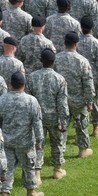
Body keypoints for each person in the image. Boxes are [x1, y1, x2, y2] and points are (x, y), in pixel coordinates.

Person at [0, 72, 44, 196]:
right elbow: (37, 124)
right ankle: (31, 193)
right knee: (29, 168)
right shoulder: (31, 101)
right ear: (24, 85)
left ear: (11, 84)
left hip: (7, 142)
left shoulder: (2, 100)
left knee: (7, 169)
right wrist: (39, 142)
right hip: (25, 143)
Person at [26, 49, 70, 178]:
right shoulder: (59, 79)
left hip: (36, 118)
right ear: (53, 62)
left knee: (38, 144)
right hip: (54, 117)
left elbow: (28, 99)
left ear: (41, 61)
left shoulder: (32, 77)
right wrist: (63, 121)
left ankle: (37, 174)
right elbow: (62, 103)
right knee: (57, 143)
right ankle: (57, 169)